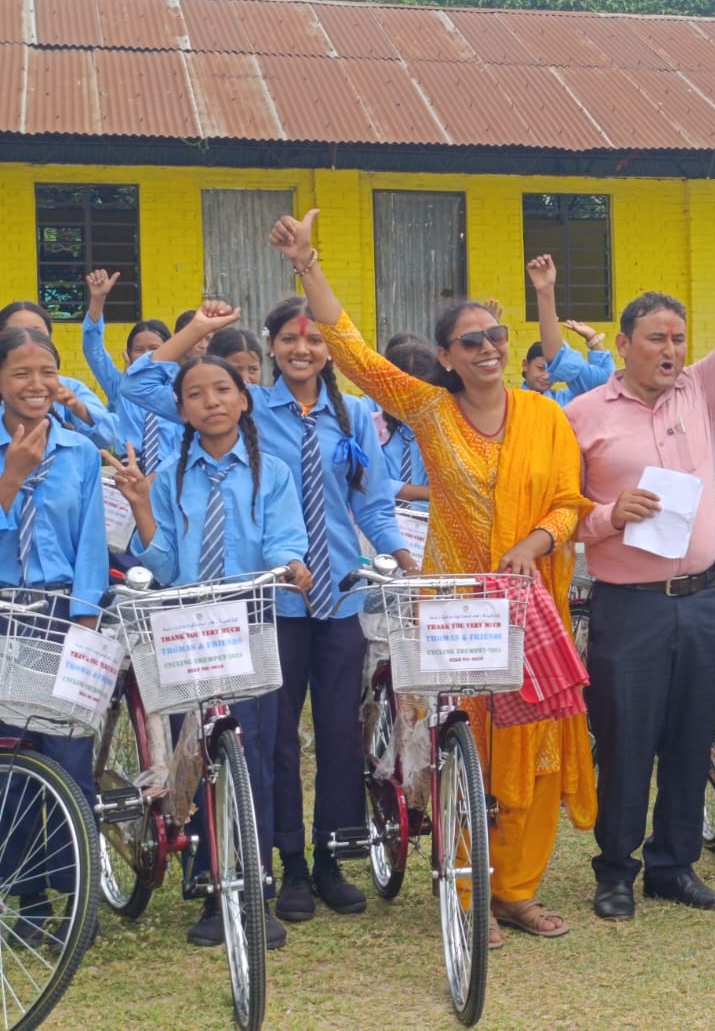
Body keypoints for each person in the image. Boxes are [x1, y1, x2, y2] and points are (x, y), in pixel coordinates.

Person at [267, 208, 596, 943]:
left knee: (536, 748)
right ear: (447, 357)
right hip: (453, 606)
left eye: (496, 338)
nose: (488, 349)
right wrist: (308, 264)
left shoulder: (548, 416)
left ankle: (514, 890)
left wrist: (538, 540)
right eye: (470, 341)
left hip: (530, 605)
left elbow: (573, 504)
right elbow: (349, 351)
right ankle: (465, 888)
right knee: (463, 749)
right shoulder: (429, 409)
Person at [124, 295, 415, 923]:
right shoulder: (242, 408)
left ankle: (332, 855)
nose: (302, 349)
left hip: (337, 593)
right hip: (267, 604)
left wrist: (397, 554)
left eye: (312, 340)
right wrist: (200, 328)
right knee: (272, 739)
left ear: (328, 349)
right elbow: (146, 380)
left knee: (340, 733)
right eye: (288, 339)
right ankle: (286, 865)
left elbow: (373, 502)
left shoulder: (354, 413)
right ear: (269, 349)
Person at [565, 193, 715, 922]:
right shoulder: (584, 416)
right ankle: (616, 872)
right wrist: (608, 515)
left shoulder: (700, 388)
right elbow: (560, 515)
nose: (670, 349)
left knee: (695, 736)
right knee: (629, 741)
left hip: (704, 598)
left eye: (678, 337)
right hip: (628, 605)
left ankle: (675, 865)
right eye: (657, 338)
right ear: (625, 344)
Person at [107, 355, 313, 949]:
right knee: (195, 759)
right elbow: (163, 563)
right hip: (189, 630)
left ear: (243, 400)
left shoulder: (270, 472)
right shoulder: (169, 475)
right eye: (196, 394)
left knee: (254, 759)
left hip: (248, 624)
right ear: (181, 410)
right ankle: (207, 889)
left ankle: (256, 890)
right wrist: (144, 507)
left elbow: (283, 537)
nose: (211, 401)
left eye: (223, 389)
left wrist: (290, 564)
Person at [0, 325, 108, 939]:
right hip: (2, 612)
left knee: (70, 762)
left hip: (61, 610)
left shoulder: (81, 452)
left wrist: (86, 620)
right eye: (21, 373)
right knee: (11, 769)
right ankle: (25, 898)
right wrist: (12, 475)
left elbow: (89, 540)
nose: (37, 385)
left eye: (48, 372)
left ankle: (77, 894)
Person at [79, 269, 183, 474]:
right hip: (130, 470)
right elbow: (93, 350)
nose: (146, 356)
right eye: (139, 350)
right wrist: (98, 300)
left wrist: (160, 475)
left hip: (172, 472)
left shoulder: (182, 390)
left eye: (154, 350)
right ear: (129, 354)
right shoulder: (120, 387)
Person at [0, 301, 117, 450]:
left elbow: (107, 437)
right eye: (16, 333)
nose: (27, 339)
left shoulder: (70, 388)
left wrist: (77, 407)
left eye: (37, 333)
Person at [525, 259, 616, 406]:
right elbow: (557, 357)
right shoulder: (511, 403)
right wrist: (545, 293)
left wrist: (593, 339)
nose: (546, 376)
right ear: (525, 365)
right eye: (541, 368)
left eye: (552, 371)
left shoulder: (565, 400)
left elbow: (606, 384)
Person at [363, 335, 434, 510]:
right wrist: (425, 492)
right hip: (380, 523)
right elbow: (367, 482)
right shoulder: (369, 414)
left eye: (419, 392)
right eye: (401, 391)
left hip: (431, 525)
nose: (410, 400)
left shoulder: (442, 425)